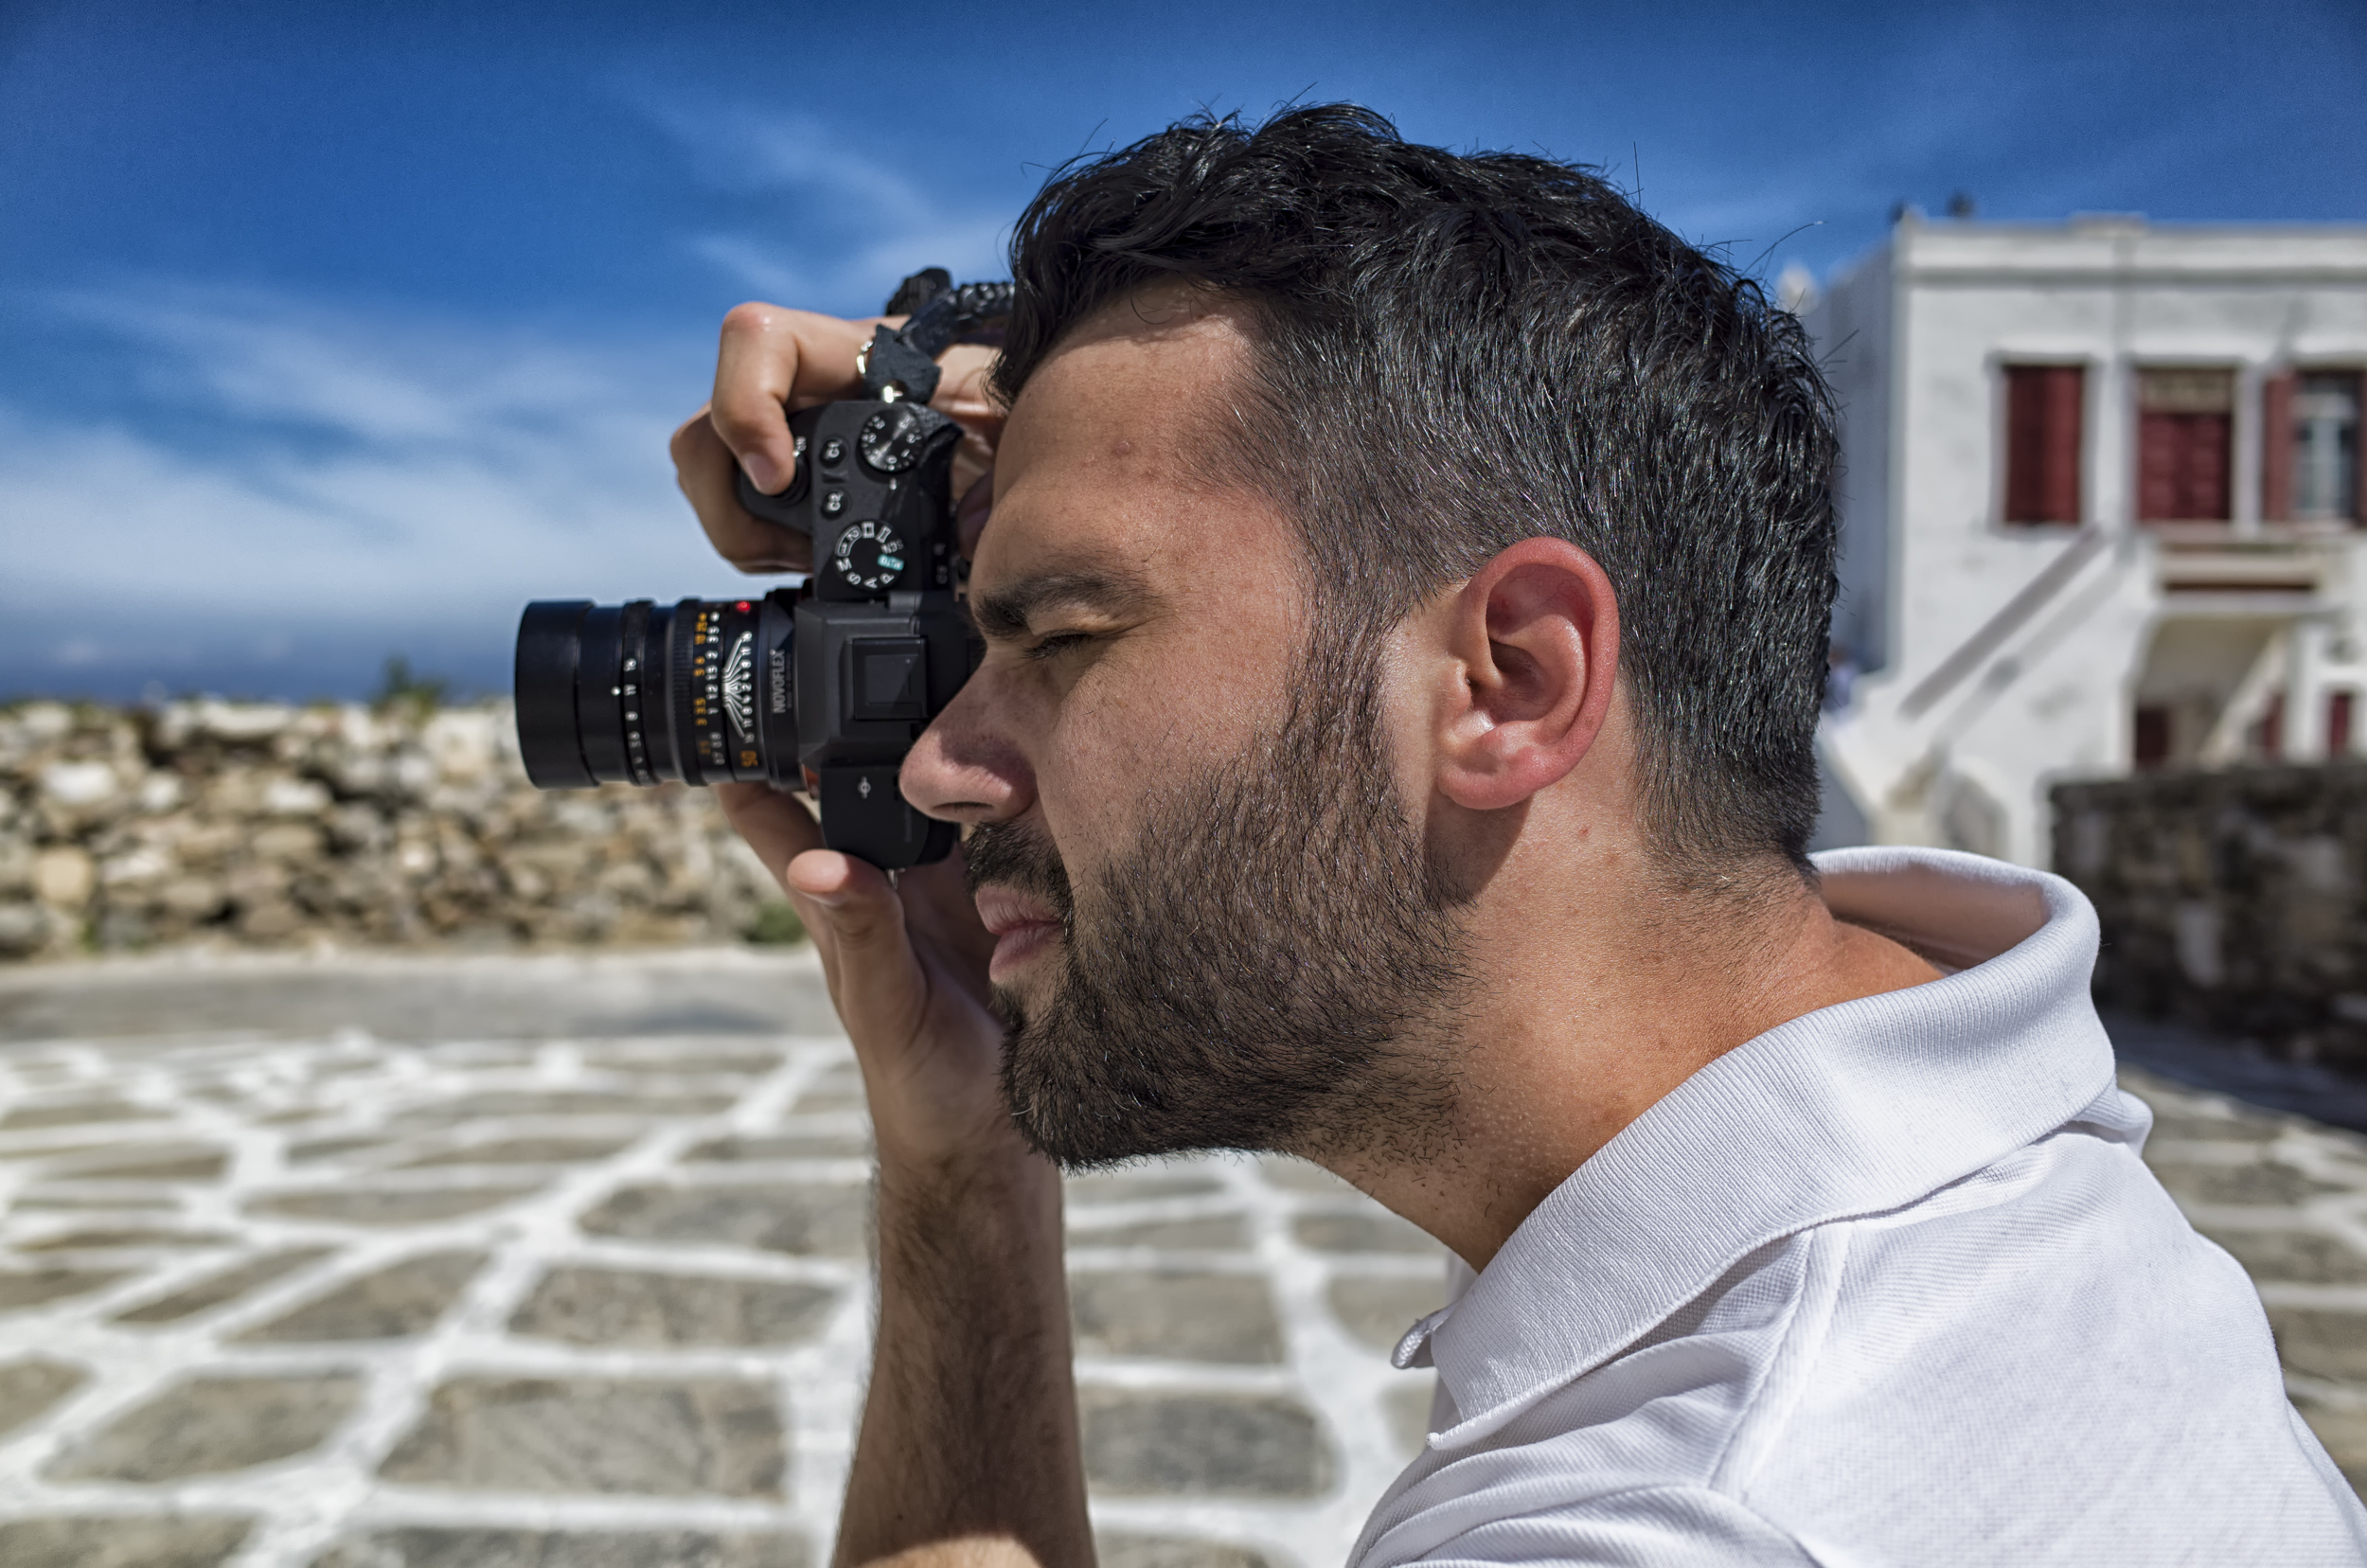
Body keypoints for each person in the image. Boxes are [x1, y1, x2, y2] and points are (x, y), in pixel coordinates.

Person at [668, 107, 2366, 1566]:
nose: (948, 764)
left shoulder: (1680, 1515)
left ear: (1514, 678)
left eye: (1055, 634)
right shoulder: (2008, 1170)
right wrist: (968, 1149)